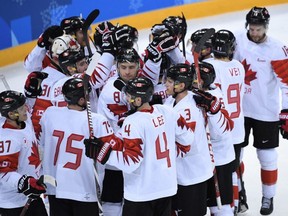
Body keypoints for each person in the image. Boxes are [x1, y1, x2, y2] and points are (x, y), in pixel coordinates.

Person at [85, 77, 194, 216]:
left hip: (142, 193)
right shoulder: (166, 111)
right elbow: (188, 138)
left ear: (137, 100)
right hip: (167, 188)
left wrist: (104, 155)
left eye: (129, 96)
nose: (126, 98)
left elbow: (131, 163)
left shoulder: (132, 122)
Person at [233, 6, 288, 215]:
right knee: (235, 157)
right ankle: (239, 194)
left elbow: (287, 83)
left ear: (266, 27)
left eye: (258, 29)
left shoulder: (278, 48)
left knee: (267, 157)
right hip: (239, 111)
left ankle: (268, 196)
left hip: (266, 113)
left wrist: (286, 111)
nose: (254, 33)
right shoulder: (236, 40)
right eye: (252, 28)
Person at [39, 78, 119, 216]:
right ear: (82, 100)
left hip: (56, 188)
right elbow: (113, 153)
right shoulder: (97, 121)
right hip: (85, 188)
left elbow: (41, 142)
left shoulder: (50, 114)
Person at [164, 63, 234, 215]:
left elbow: (224, 129)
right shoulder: (171, 101)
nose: (165, 84)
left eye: (169, 81)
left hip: (192, 174)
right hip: (183, 173)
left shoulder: (192, 106)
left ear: (181, 85)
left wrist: (213, 110)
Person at [208, 29, 246, 214]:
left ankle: (226, 209)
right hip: (237, 129)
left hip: (219, 129)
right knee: (232, 171)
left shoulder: (207, 66)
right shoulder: (239, 66)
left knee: (219, 176)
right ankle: (236, 206)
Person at [0, 90, 47, 216]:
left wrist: (30, 91)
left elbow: (30, 106)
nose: (26, 109)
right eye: (21, 108)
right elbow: (4, 174)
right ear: (11, 114)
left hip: (32, 194)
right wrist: (24, 182)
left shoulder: (24, 121)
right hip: (14, 203)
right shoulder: (7, 139)